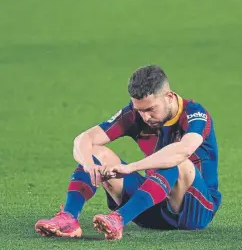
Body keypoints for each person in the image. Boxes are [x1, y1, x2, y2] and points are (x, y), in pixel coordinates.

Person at [35, 65, 221, 240]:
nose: (145, 117)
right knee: (97, 153)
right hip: (150, 207)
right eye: (140, 110)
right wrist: (88, 163)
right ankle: (69, 218)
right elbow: (83, 140)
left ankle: (119, 219)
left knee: (176, 161)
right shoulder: (135, 114)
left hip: (194, 211)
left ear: (169, 97)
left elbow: (183, 150)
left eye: (150, 109)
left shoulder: (195, 114)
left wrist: (132, 167)